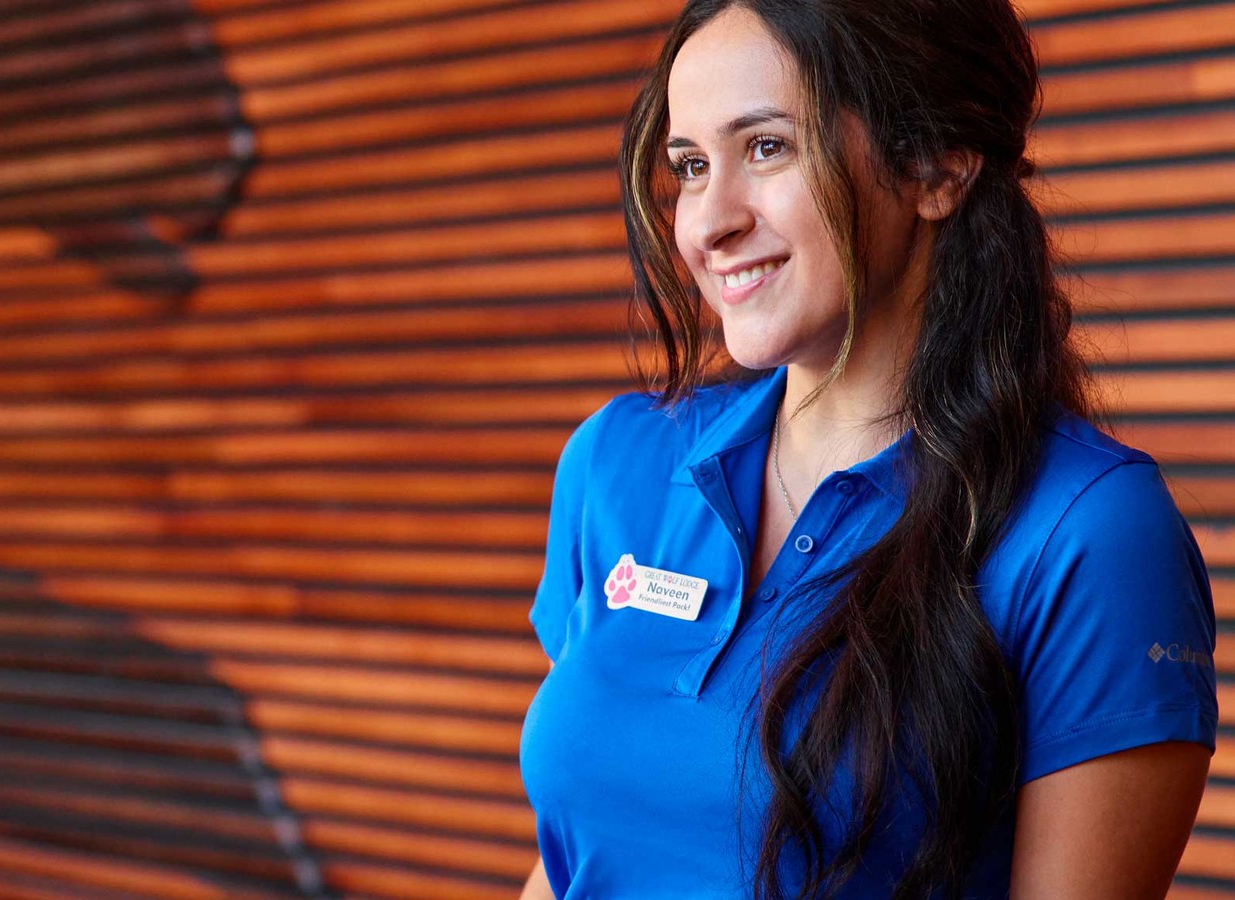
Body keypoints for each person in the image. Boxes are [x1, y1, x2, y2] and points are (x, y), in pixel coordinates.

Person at [516, 1, 1218, 898]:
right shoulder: (619, 463)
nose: (707, 223)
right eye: (690, 165)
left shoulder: (1087, 532)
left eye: (766, 147)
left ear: (937, 165)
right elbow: (576, 859)